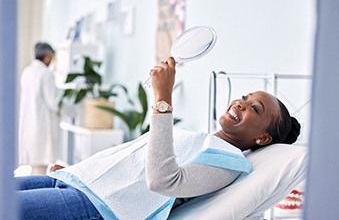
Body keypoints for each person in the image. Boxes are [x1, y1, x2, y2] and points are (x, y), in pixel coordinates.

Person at [15, 56, 301, 220]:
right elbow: (131, 157)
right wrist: (80, 172)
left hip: (96, 208)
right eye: (244, 97)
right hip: (74, 181)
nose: (240, 103)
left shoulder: (229, 163)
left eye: (254, 109)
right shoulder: (198, 136)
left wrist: (163, 99)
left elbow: (163, 181)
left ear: (263, 139)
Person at [18, 42, 60, 175]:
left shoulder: (27, 71)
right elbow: (54, 103)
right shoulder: (45, 74)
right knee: (40, 171)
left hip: (29, 125)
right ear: (47, 56)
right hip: (41, 127)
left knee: (35, 169)